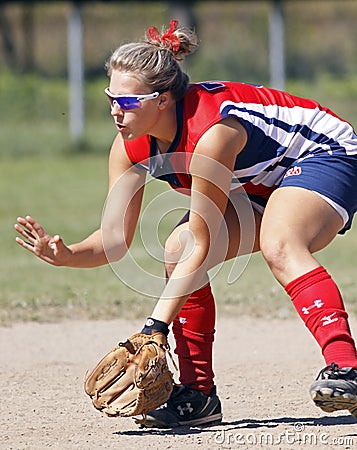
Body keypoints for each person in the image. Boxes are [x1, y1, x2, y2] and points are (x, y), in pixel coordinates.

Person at [15, 20, 357, 428]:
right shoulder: (130, 144)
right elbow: (114, 240)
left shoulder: (212, 134)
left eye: (127, 102)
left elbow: (203, 236)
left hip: (324, 153)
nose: (114, 111)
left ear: (162, 100)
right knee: (176, 250)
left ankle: (345, 368)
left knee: (279, 242)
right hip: (256, 179)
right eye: (111, 98)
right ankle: (198, 396)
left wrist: (153, 327)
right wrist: (67, 255)